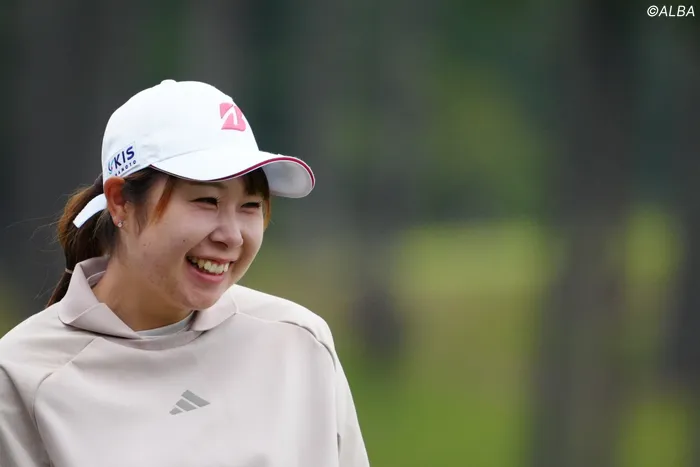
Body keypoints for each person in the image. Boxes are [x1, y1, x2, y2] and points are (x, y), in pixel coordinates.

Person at [0, 79, 370, 467]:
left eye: (250, 206)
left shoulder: (299, 342)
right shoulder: (23, 376)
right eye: (206, 201)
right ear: (120, 201)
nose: (232, 236)